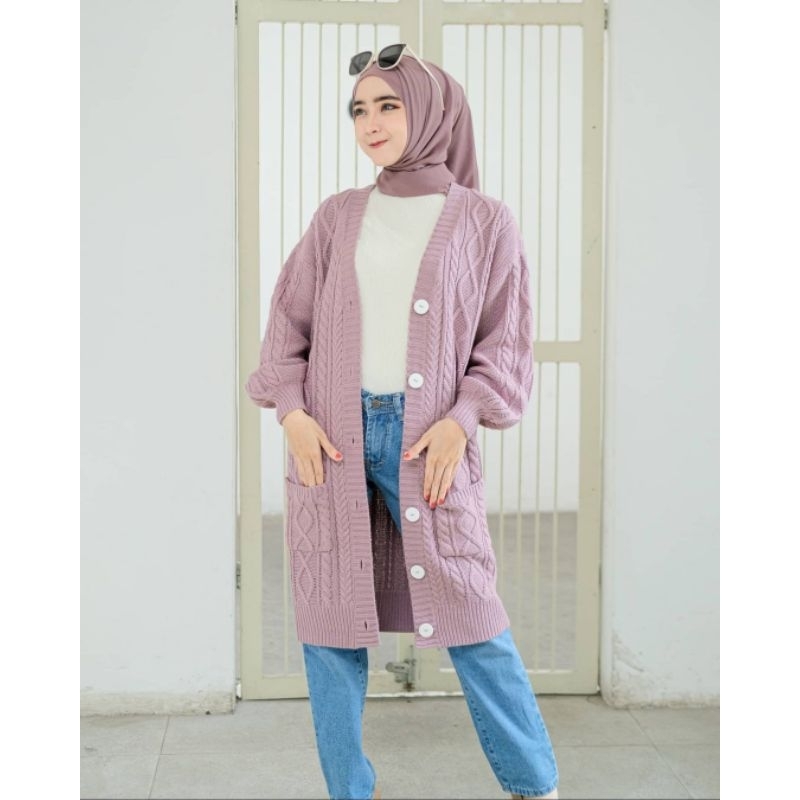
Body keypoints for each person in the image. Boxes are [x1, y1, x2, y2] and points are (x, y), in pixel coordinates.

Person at [245, 43, 559, 800]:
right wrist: (291, 413)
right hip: (330, 438)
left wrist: (462, 419)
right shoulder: (337, 217)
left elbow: (504, 345)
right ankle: (348, 790)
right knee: (329, 626)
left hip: (429, 442)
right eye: (359, 109)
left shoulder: (484, 221)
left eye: (388, 105)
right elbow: (287, 327)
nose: (371, 123)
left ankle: (534, 785)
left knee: (473, 615)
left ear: (432, 112)